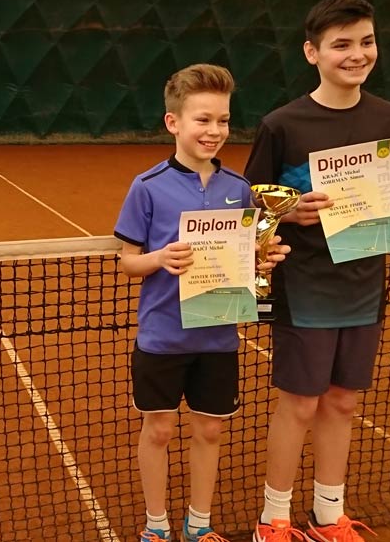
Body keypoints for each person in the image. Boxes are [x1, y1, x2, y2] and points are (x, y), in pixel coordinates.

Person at [243, 0, 390, 542]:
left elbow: (386, 197)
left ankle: (328, 516)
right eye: (341, 45)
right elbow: (251, 204)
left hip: (364, 284)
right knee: (299, 403)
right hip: (304, 284)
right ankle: (273, 519)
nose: (357, 54)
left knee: (342, 400)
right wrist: (291, 211)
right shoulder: (282, 125)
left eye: (366, 41)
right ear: (312, 53)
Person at [115, 63, 290, 542]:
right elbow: (127, 261)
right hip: (162, 337)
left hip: (218, 337)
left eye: (223, 120)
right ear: (173, 122)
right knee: (158, 431)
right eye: (203, 119)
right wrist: (158, 258)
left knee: (210, 431)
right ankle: (156, 526)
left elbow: (245, 258)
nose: (215, 130)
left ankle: (199, 524)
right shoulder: (147, 186)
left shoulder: (239, 189)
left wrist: (264, 259)